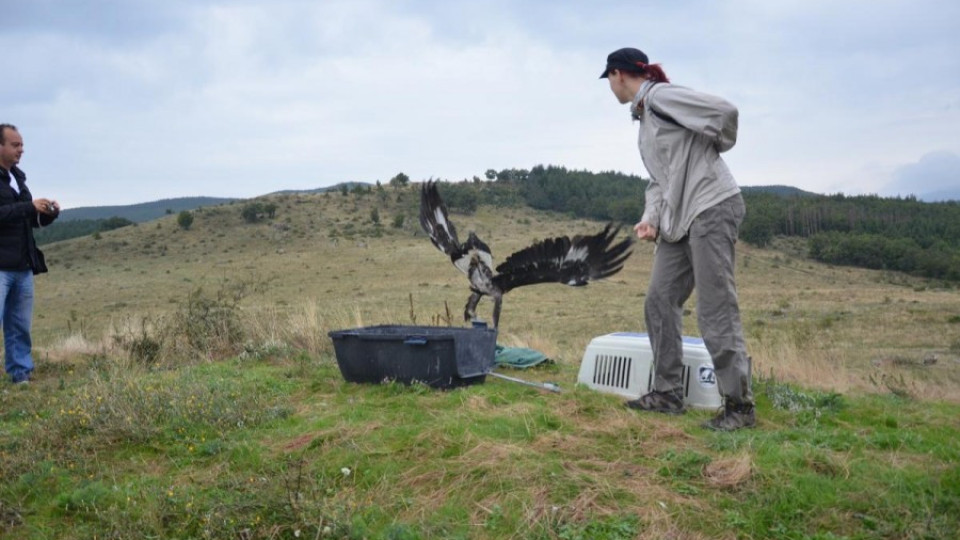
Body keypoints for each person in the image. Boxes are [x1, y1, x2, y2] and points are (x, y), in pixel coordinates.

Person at [600, 48, 755, 430]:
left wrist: (717, 145)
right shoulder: (645, 118)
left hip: (710, 206)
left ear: (618, 75)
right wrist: (650, 218)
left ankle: (739, 406)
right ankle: (668, 393)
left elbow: (725, 112)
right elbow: (659, 179)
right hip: (678, 220)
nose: (610, 89)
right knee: (660, 298)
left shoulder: (660, 96)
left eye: (609, 81)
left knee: (715, 308)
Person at [0, 124, 60, 384]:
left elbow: (30, 221)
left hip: (23, 265)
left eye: (22, 145)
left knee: (19, 326)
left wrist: (47, 215)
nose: (21, 150)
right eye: (15, 145)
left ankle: (21, 375)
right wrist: (28, 207)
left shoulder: (18, 178)